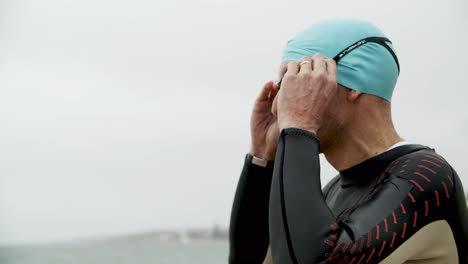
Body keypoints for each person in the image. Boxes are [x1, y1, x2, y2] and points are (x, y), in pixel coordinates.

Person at [229, 19, 468, 264]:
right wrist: (262, 157)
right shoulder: (334, 190)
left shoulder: (425, 177)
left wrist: (300, 123)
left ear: (353, 85)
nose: (281, 103)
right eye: (284, 86)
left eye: (297, 80)